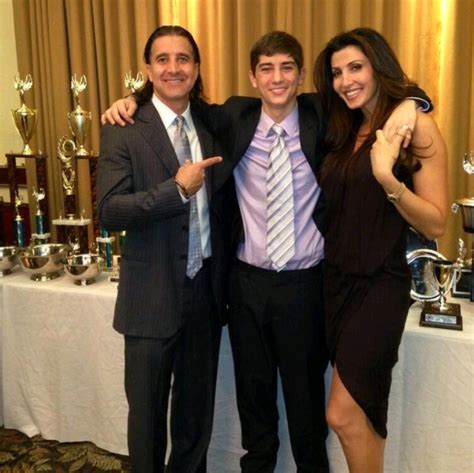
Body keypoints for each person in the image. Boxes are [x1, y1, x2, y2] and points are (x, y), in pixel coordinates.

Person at [102, 31, 430, 473]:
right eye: (266, 69)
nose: (277, 78)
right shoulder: (231, 118)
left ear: (300, 75)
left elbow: (378, 97)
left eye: (287, 68)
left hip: (306, 287)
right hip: (246, 288)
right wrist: (131, 99)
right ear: (252, 77)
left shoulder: (324, 115)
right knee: (254, 412)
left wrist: (415, 102)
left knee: (307, 414)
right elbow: (170, 97)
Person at [312, 28, 448, 472]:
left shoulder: (414, 128)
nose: (345, 81)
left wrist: (389, 180)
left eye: (356, 67)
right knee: (363, 416)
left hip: (380, 286)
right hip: (335, 284)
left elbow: (437, 223)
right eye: (337, 73)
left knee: (342, 414)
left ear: (378, 66)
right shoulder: (344, 125)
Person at [96, 25, 227, 473]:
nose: (174, 68)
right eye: (163, 59)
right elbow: (109, 211)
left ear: (197, 68)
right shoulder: (124, 127)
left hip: (205, 295)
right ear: (148, 69)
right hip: (149, 298)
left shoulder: (212, 123)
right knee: (147, 421)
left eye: (183, 58)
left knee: (195, 418)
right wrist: (177, 190)